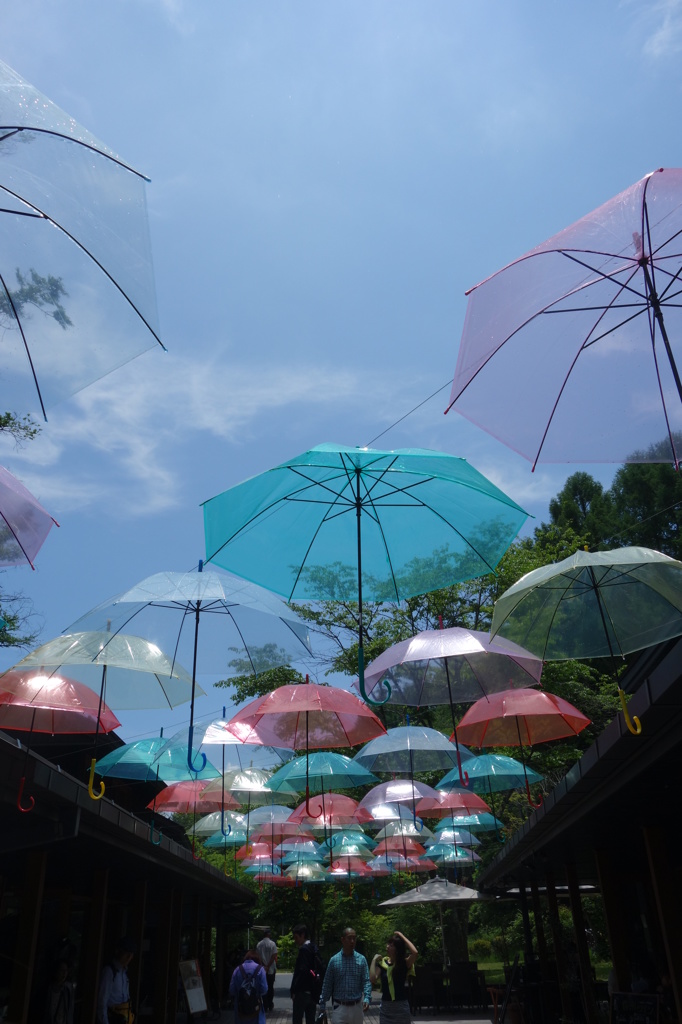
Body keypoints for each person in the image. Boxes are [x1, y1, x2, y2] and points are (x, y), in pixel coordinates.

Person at [319, 927, 371, 1024]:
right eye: (349, 938)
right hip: (340, 1007)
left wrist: (367, 997)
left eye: (354, 938)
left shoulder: (361, 959)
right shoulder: (334, 960)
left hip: (357, 1007)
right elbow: (327, 983)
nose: (352, 941)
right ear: (342, 939)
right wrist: (322, 1003)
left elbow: (366, 981)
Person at [369, 931, 417, 1024]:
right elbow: (372, 979)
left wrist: (402, 936)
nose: (387, 947)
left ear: (397, 949)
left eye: (391, 945)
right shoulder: (383, 964)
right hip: (386, 1008)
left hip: (401, 1007)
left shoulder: (404, 963)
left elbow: (415, 952)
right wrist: (374, 960)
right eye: (388, 944)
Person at [97, 938, 135, 1024]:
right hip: (113, 1018)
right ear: (118, 951)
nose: (129, 958)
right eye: (127, 954)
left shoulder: (124, 974)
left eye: (131, 955)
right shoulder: (109, 971)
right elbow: (102, 1002)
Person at [291, 924, 321, 1024]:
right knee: (311, 1019)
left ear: (302, 935)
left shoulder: (304, 950)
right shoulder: (314, 948)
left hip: (302, 992)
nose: (295, 940)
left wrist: (294, 990)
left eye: (296, 937)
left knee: (297, 1019)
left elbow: (302, 971)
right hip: (313, 991)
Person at [229, 950, 267, 1024]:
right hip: (256, 1010)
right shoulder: (261, 969)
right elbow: (264, 990)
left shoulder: (237, 970)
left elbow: (232, 990)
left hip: (241, 1010)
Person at [256, 928, 278, 1012]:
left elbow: (258, 957)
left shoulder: (259, 944)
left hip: (262, 969)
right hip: (271, 969)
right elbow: (274, 955)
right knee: (270, 987)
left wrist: (264, 965)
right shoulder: (272, 944)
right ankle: (270, 1004)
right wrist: (268, 965)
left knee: (263, 986)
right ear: (269, 934)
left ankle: (264, 1005)